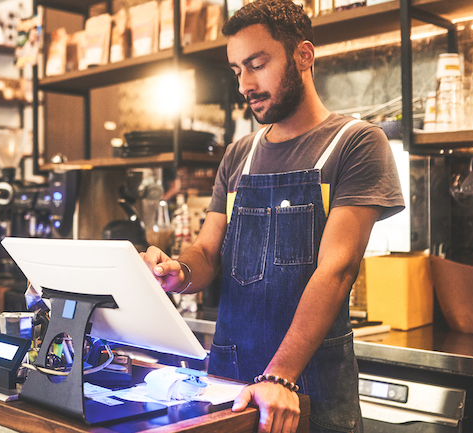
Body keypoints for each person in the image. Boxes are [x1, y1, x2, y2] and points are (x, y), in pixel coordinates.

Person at [140, 1, 405, 432]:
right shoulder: (239, 155)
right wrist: (178, 270)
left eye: (257, 65)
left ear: (303, 56)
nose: (245, 84)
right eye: (236, 71)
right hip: (230, 384)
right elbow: (208, 251)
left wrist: (279, 376)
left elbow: (336, 270)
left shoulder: (355, 144)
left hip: (309, 391)